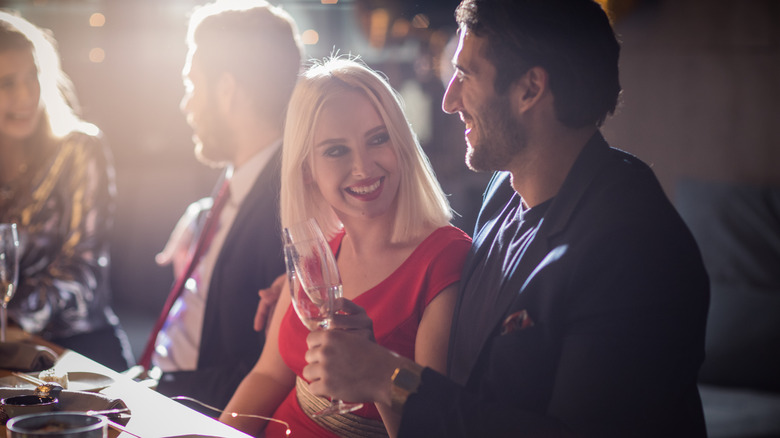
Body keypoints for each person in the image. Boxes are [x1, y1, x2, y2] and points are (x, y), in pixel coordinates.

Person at [300, 1, 711, 437]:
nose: (448, 100)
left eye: (466, 75)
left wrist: (388, 378)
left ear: (530, 88)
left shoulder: (635, 252)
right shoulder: (504, 188)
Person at [220, 57, 472, 437]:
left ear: (401, 142)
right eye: (336, 150)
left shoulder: (445, 260)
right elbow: (268, 376)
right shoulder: (317, 253)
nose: (363, 167)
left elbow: (436, 426)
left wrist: (376, 371)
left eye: (378, 138)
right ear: (306, 170)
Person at [144, 0, 302, 412]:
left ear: (228, 90)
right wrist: (202, 214)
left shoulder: (285, 208)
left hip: (185, 402)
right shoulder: (242, 180)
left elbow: (257, 369)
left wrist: (151, 393)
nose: (186, 104)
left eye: (192, 85)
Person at [0, 11, 133, 371]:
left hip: (81, 352)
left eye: (33, 76)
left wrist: (10, 319)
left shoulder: (80, 147)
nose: (27, 94)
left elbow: (84, 269)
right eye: (7, 83)